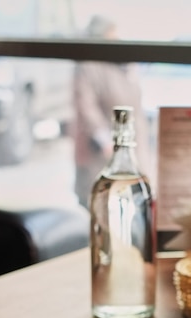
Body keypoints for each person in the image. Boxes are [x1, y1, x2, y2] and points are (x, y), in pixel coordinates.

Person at [72, 15, 150, 209]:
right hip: (103, 152)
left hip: (133, 145)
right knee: (103, 204)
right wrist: (105, 141)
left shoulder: (124, 66)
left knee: (135, 201)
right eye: (111, 36)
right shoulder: (89, 67)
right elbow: (86, 108)